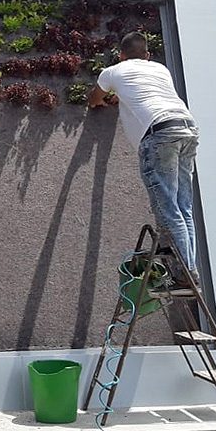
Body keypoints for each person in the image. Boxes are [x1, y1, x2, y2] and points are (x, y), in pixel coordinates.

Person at [88, 31, 200, 287]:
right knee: (184, 207)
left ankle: (184, 274)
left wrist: (103, 99)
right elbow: (146, 93)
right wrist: (122, 96)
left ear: (121, 55)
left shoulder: (113, 72)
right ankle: (189, 269)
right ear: (147, 55)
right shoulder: (160, 69)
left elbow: (94, 98)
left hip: (159, 133)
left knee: (167, 207)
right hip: (186, 127)